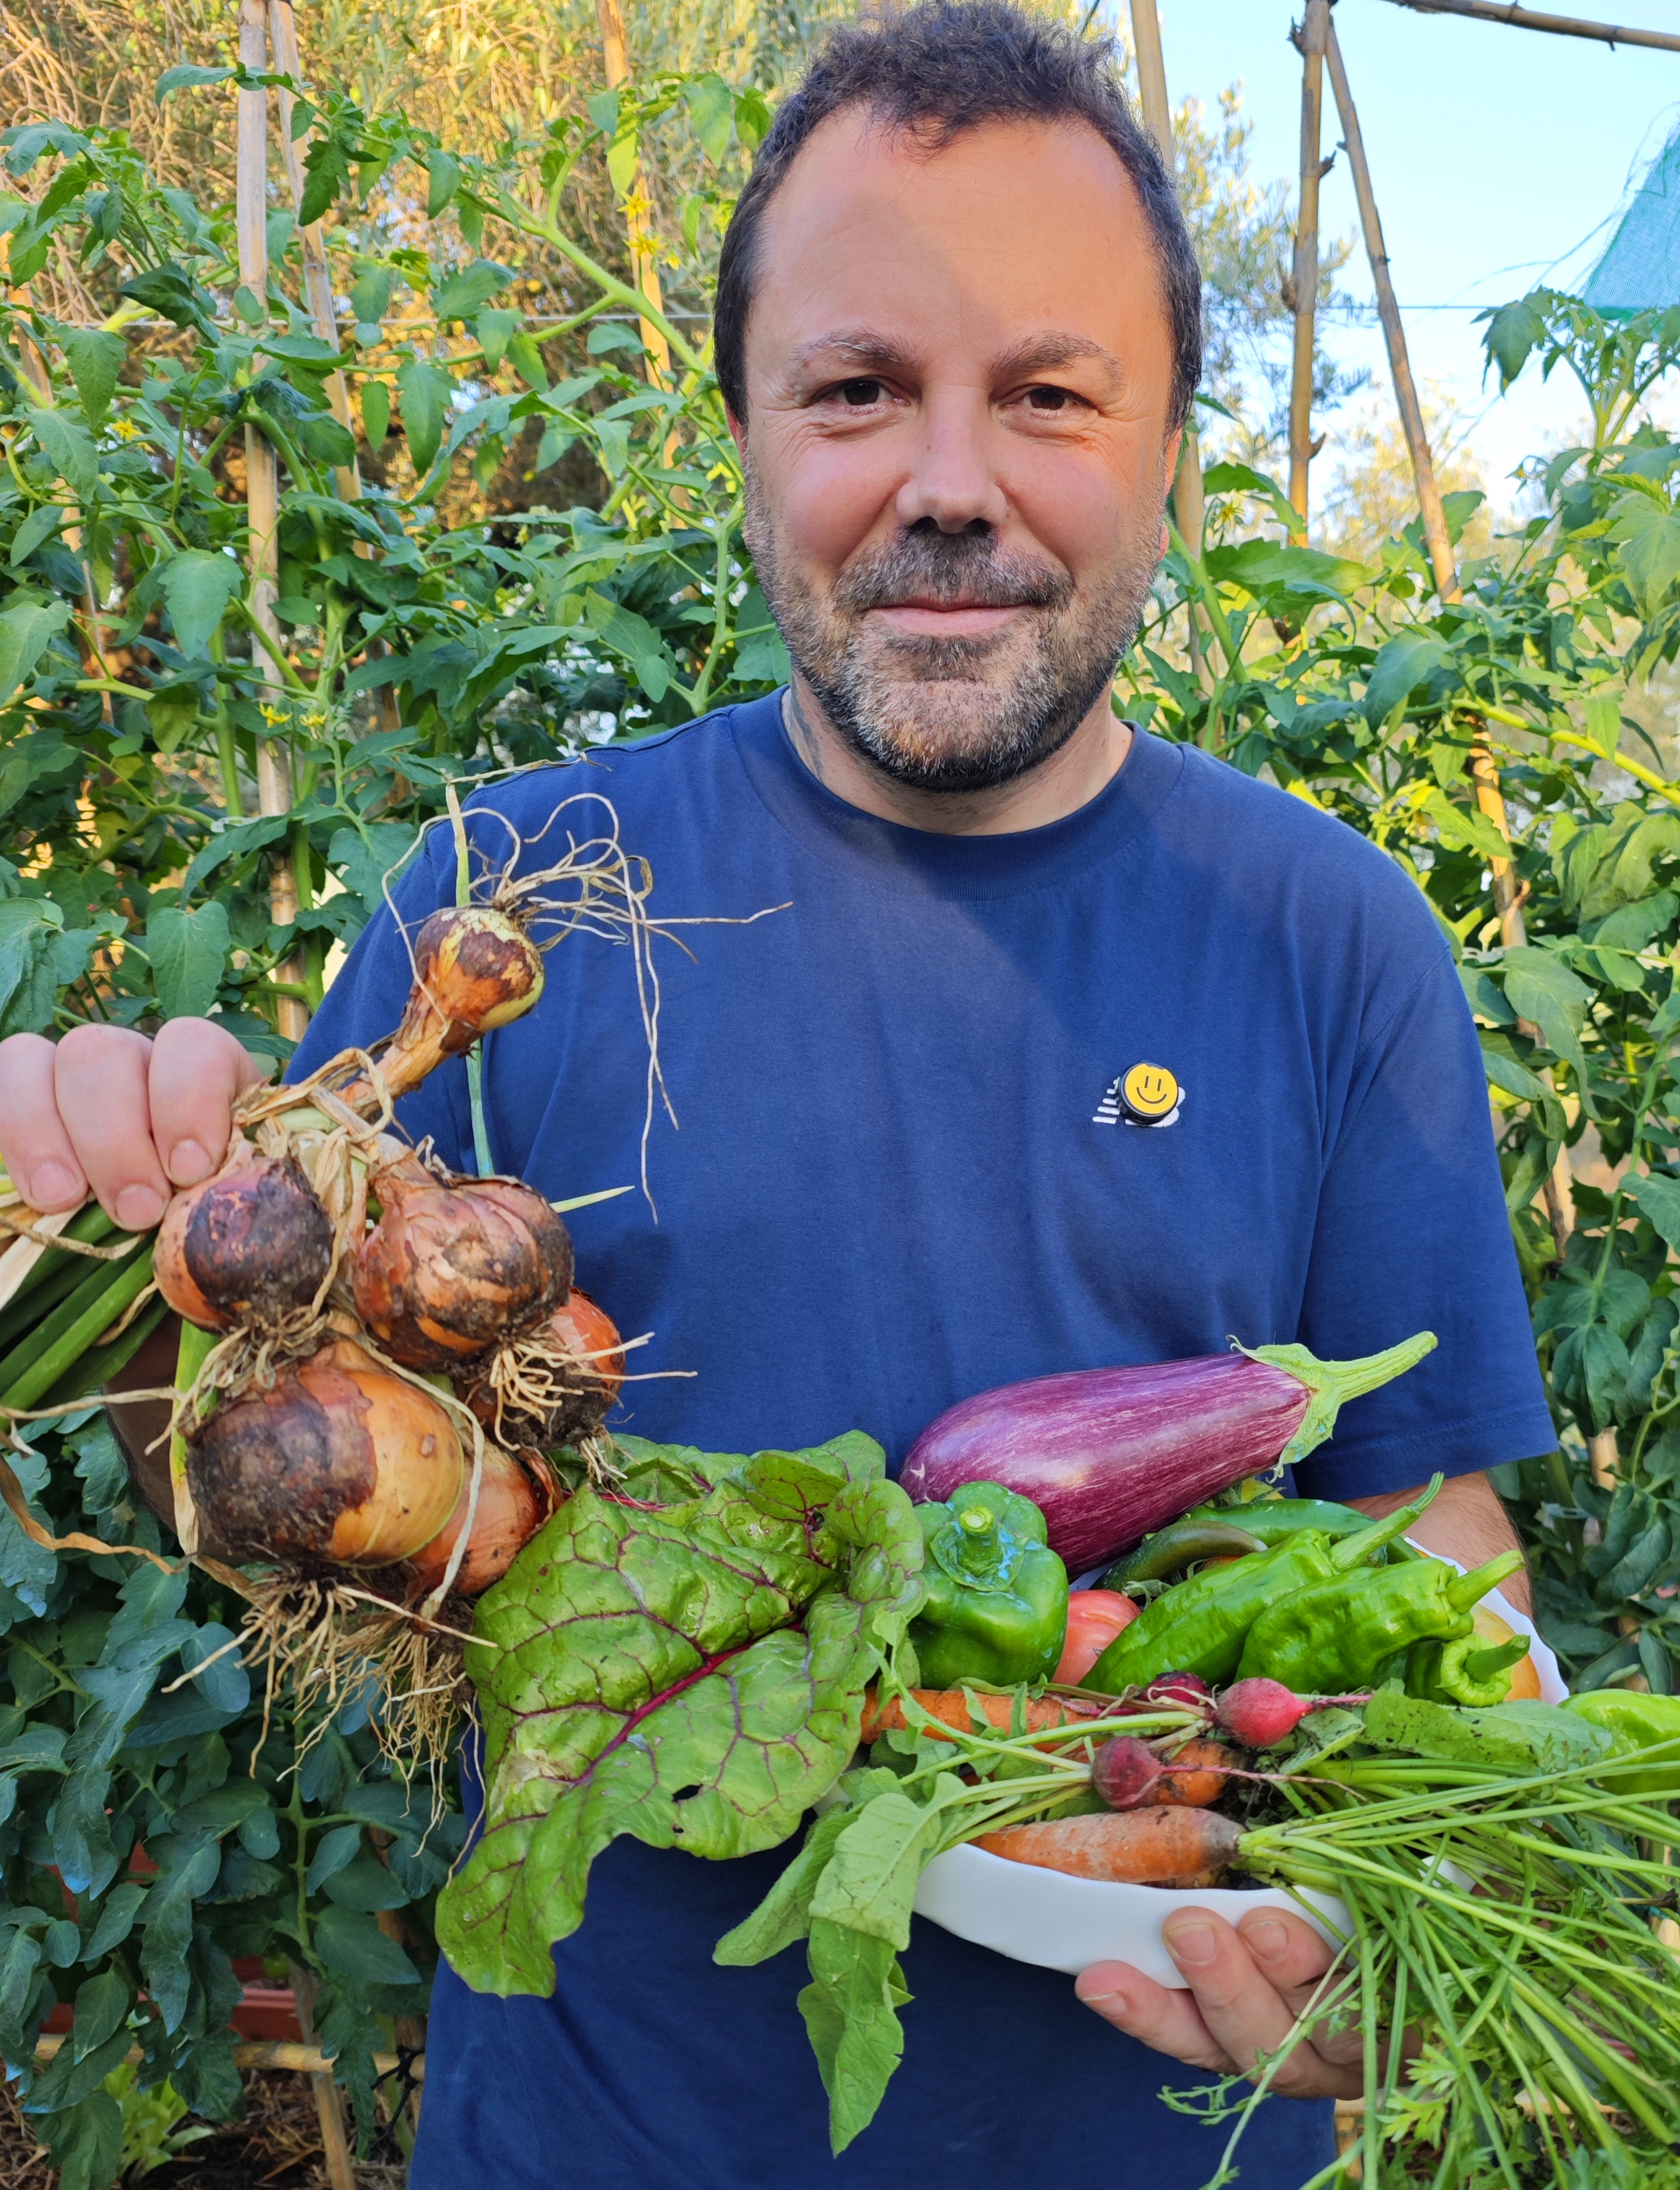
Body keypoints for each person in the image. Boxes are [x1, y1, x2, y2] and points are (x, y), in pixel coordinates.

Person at [0, 6, 1555, 2183]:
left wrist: (1430, 1893)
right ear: (735, 428)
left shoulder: (1325, 935)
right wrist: (108, 1218)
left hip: (1180, 2133)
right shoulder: (512, 914)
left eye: (1044, 394)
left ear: (1171, 443)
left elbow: (1427, 1536)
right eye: (853, 390)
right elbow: (255, 1462)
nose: (944, 480)